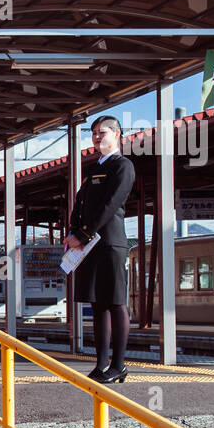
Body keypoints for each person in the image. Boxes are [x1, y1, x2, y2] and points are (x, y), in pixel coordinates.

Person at [66, 116, 136, 384]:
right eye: (93, 133)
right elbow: (80, 202)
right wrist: (73, 231)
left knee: (116, 303)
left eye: (102, 132)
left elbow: (111, 204)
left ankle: (119, 365)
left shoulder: (123, 166)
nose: (97, 137)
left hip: (110, 243)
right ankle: (101, 364)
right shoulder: (94, 168)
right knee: (98, 305)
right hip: (90, 246)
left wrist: (83, 234)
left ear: (117, 133)